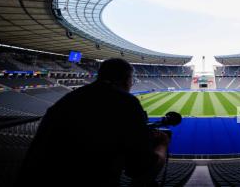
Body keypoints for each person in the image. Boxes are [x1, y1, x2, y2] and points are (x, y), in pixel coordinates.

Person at [15, 58, 169, 187]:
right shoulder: (126, 102)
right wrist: (162, 145)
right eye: (131, 80)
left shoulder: (69, 99)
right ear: (127, 79)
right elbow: (140, 167)